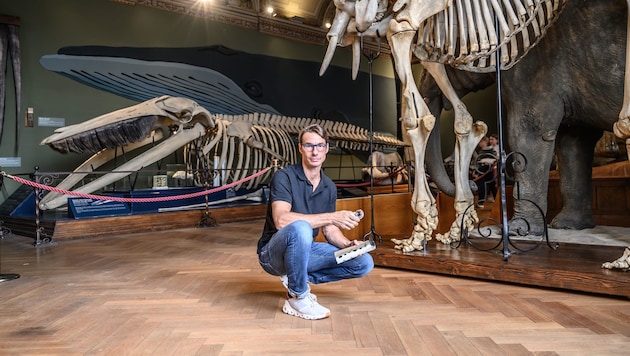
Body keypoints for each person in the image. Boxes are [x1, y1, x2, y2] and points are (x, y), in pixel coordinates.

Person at [257, 124, 374, 320]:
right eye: (309, 145)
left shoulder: (328, 186)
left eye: (320, 146)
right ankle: (298, 296)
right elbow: (281, 220)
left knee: (363, 262)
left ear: (327, 148)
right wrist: (333, 217)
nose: (315, 151)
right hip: (273, 255)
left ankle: (296, 281)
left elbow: (329, 231)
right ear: (300, 148)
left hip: (304, 252)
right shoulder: (284, 177)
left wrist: (348, 245)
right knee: (300, 227)